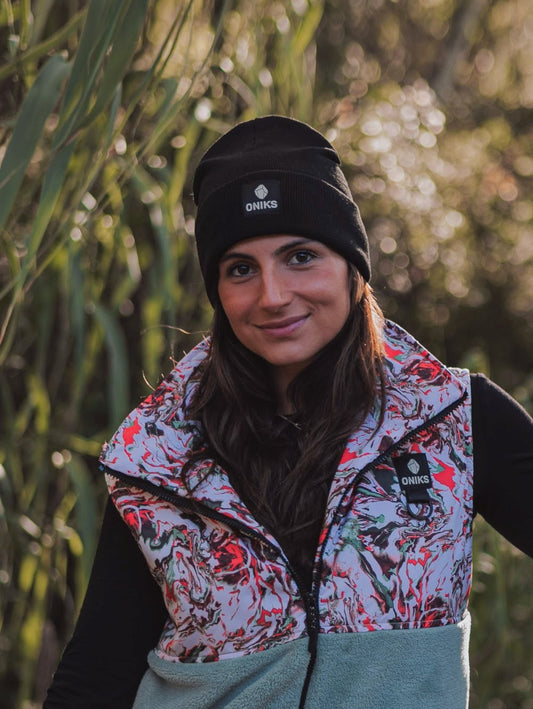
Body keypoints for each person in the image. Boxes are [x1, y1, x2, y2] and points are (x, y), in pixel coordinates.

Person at [44, 116, 533, 709]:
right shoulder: (158, 455)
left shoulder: (452, 418)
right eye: (240, 269)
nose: (272, 296)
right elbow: (96, 675)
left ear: (354, 269)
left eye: (301, 256)